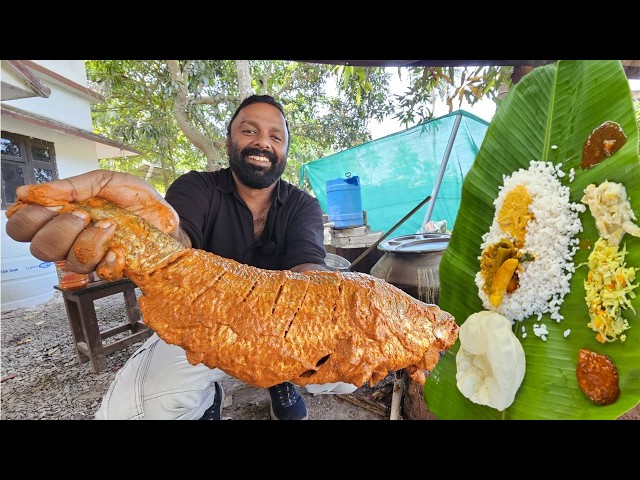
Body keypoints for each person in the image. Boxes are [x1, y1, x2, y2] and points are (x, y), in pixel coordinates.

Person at [6, 94, 357, 420]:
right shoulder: (196, 187)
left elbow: (308, 263)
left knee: (351, 369)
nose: (262, 142)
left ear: (284, 150)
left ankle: (280, 379)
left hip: (285, 327)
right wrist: (149, 234)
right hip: (201, 322)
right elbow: (177, 240)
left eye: (275, 136)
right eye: (249, 130)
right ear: (229, 141)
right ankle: (206, 399)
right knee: (133, 409)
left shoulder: (303, 205)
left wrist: (328, 299)